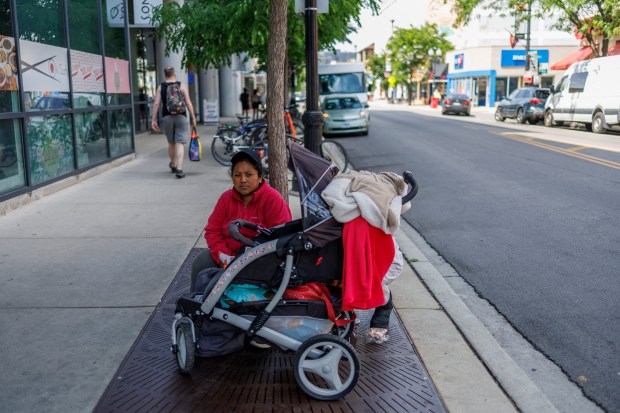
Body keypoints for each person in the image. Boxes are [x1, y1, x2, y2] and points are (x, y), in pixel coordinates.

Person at [191, 149, 292, 281]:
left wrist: (250, 259)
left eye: (249, 174)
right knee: (201, 262)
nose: (243, 180)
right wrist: (222, 255)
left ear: (260, 176)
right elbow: (212, 230)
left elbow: (282, 238)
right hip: (228, 258)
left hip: (260, 261)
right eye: (237, 175)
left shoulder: (273, 199)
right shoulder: (225, 199)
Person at [151, 67, 196, 179]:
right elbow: (188, 103)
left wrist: (153, 119)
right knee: (179, 143)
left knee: (171, 143)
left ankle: (174, 165)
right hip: (181, 117)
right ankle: (180, 169)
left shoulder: (161, 87)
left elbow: (156, 104)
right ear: (174, 74)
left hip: (167, 118)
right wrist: (193, 118)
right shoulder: (181, 85)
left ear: (165, 75)